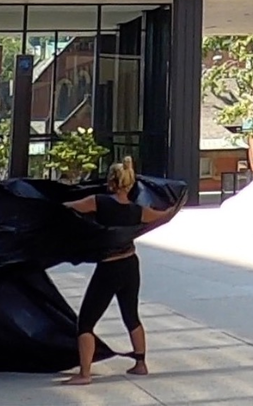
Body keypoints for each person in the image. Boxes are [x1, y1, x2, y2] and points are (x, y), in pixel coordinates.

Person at [62, 156, 178, 385]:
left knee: (86, 322)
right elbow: (164, 216)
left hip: (109, 267)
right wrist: (174, 207)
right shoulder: (138, 211)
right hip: (130, 264)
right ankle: (141, 364)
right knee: (131, 315)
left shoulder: (98, 202)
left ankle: (84, 374)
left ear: (111, 181)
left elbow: (66, 208)